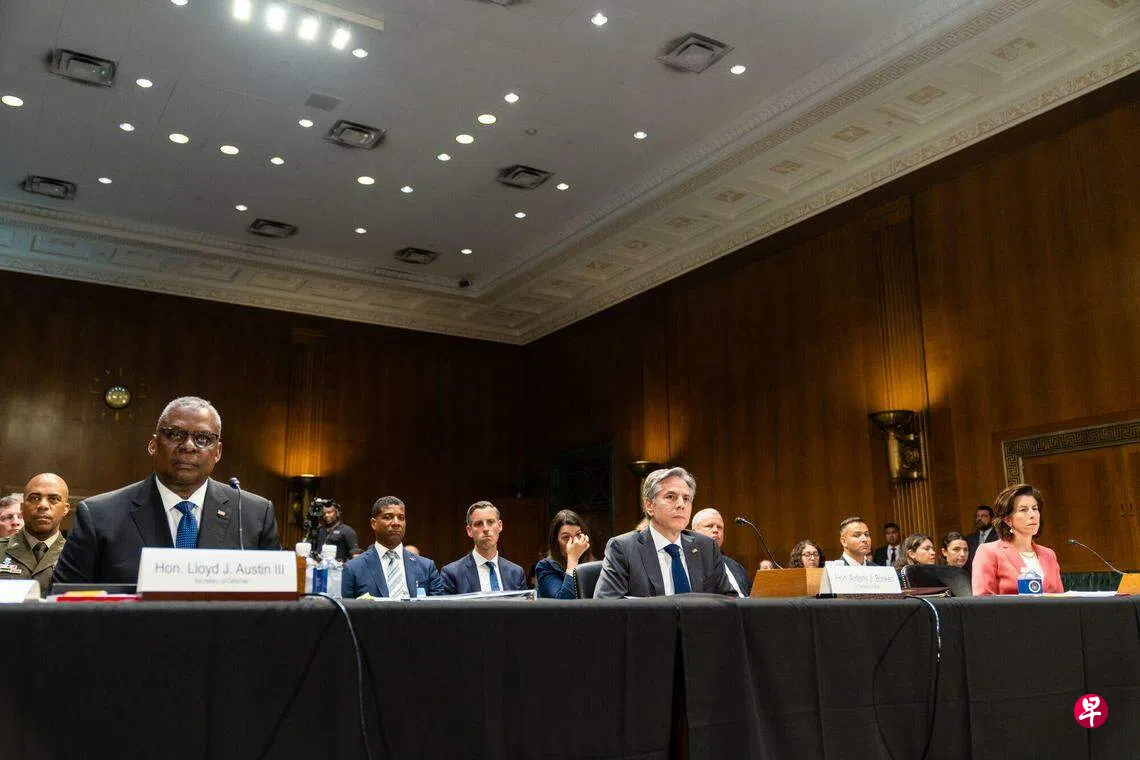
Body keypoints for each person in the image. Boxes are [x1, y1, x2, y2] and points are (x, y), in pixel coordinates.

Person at [53, 396, 279, 585]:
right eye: (175, 434)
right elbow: (63, 601)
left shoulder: (255, 515)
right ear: (153, 444)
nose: (188, 446)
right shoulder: (99, 516)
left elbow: (279, 601)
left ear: (218, 452)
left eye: (203, 438)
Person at [594, 467, 736, 598]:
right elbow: (607, 605)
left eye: (686, 499)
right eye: (670, 497)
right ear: (649, 506)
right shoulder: (623, 549)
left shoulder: (706, 547)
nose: (681, 505)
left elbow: (729, 599)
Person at [341, 496, 443, 598]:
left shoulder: (426, 567)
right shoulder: (353, 568)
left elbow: (438, 606)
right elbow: (346, 607)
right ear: (374, 523)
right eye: (388, 517)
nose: (396, 523)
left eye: (401, 518)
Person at [972, 484, 1063, 595]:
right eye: (1023, 510)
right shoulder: (989, 552)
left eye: (1035, 508)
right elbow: (983, 599)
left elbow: (1060, 598)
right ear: (1008, 520)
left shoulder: (1049, 554)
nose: (1032, 514)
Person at [0, 474, 70, 596]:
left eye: (54, 499)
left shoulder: (75, 556)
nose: (43, 505)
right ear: (22, 507)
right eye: (34, 498)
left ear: (65, 509)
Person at [441, 501, 527, 593]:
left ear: (500, 526)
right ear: (469, 531)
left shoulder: (516, 573)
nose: (486, 529)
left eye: (490, 522)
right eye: (479, 524)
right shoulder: (452, 574)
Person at [691, 507, 752, 596]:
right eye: (709, 526)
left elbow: (752, 593)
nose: (716, 530)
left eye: (719, 527)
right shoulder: (689, 563)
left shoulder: (735, 565)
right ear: (694, 533)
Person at [533, 510, 593, 599]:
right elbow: (564, 601)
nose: (575, 542)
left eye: (578, 534)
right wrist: (573, 559)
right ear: (556, 541)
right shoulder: (545, 566)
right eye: (566, 537)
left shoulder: (591, 564)